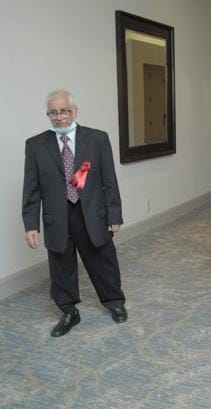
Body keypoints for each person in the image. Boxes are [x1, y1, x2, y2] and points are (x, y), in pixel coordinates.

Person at [22, 89, 128, 337]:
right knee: (61, 265)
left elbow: (109, 181)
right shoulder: (35, 145)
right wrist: (31, 225)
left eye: (64, 111)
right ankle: (69, 311)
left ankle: (114, 302)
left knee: (103, 260)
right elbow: (31, 188)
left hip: (90, 213)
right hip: (57, 217)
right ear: (48, 115)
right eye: (53, 113)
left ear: (75, 111)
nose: (59, 117)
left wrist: (114, 215)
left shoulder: (97, 139)